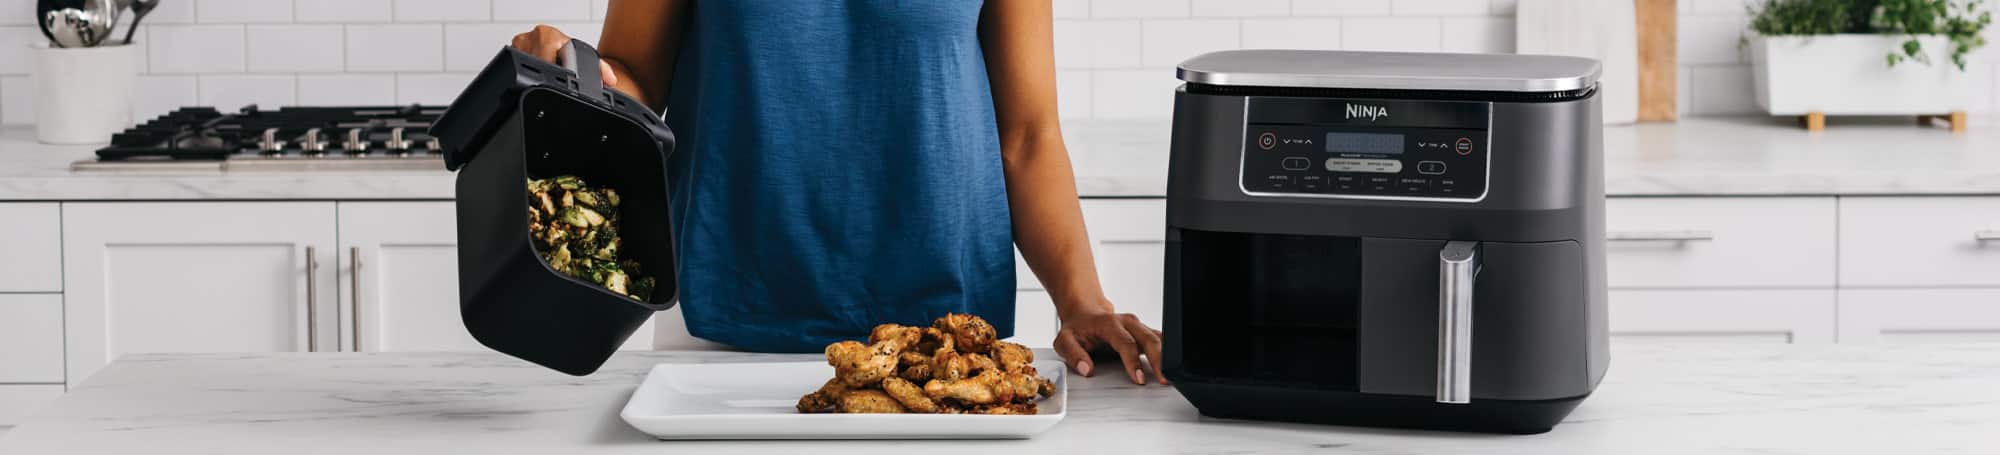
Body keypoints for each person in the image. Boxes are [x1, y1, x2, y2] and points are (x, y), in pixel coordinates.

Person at [508, 1, 1165, 385]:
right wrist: (571, 65)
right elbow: (638, 80)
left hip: (943, 350)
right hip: (723, 327)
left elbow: (1026, 136)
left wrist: (1081, 301)